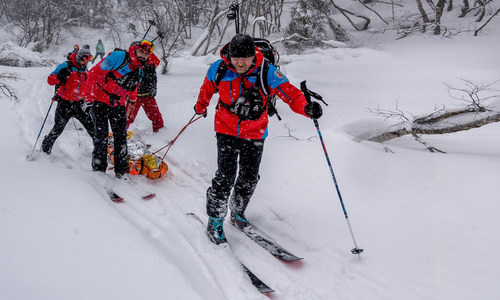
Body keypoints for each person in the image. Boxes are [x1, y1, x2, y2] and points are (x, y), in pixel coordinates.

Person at [194, 33, 323, 245]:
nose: (240, 63)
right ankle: (215, 220)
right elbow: (207, 89)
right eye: (236, 58)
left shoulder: (267, 71)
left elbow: (291, 95)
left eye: (245, 58)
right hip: (225, 129)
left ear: (253, 55)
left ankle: (237, 212)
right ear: (230, 56)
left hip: (255, 132)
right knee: (225, 177)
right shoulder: (219, 68)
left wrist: (306, 108)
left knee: (249, 177)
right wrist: (200, 107)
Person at [83, 39, 154, 178]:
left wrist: (132, 100)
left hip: (119, 104)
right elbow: (94, 73)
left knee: (121, 138)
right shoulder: (119, 57)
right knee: (101, 138)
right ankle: (99, 170)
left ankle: (121, 171)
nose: (143, 55)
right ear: (135, 49)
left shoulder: (140, 68)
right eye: (141, 51)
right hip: (100, 101)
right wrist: (89, 99)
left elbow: (134, 86)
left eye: (146, 54)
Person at [41, 47, 95, 154]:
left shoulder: (85, 70)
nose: (87, 62)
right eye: (85, 59)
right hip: (64, 104)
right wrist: (60, 76)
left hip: (79, 105)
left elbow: (88, 86)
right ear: (79, 57)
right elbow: (50, 80)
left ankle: (100, 150)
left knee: (92, 128)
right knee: (58, 129)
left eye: (89, 59)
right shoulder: (66, 66)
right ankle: (45, 148)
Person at [126, 52, 164, 133]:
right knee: (127, 116)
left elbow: (154, 79)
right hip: (134, 96)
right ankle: (121, 132)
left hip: (147, 96)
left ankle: (160, 133)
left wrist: (154, 88)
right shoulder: (134, 66)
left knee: (156, 116)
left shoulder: (151, 68)